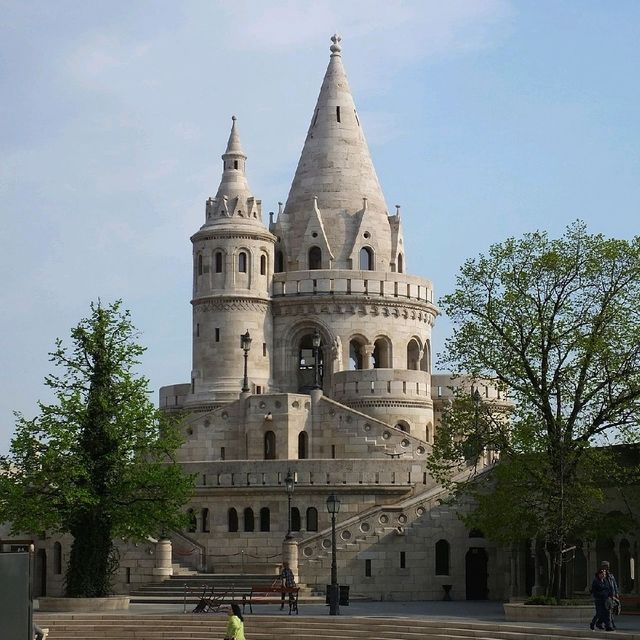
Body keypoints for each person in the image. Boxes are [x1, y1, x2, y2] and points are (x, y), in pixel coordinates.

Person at [602, 560, 620, 630]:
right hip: (606, 596)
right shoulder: (601, 575)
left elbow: (614, 584)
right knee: (608, 611)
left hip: (612, 595)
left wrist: (616, 593)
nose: (607, 568)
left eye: (608, 566)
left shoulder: (611, 575)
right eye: (606, 566)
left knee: (611, 611)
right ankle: (609, 625)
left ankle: (609, 624)